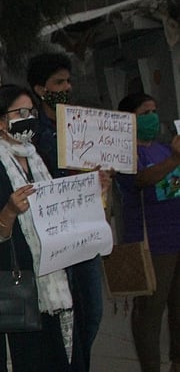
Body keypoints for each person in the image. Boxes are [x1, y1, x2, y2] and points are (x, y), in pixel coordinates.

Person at [0, 84, 73, 372]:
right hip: (13, 288)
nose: (30, 118)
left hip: (48, 284)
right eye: (22, 112)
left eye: (32, 111)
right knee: (24, 361)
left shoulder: (36, 157)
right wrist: (10, 211)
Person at [26, 52, 103, 372]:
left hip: (86, 228)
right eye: (59, 82)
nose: (67, 87)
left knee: (93, 312)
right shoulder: (34, 132)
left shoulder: (82, 123)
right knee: (70, 314)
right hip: (58, 234)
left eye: (69, 81)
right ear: (40, 88)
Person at [116, 92, 180, 372]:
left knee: (178, 309)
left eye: (154, 111)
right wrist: (175, 160)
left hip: (176, 237)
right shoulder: (126, 155)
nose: (152, 117)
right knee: (150, 313)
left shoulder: (164, 148)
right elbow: (142, 179)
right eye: (145, 113)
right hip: (151, 245)